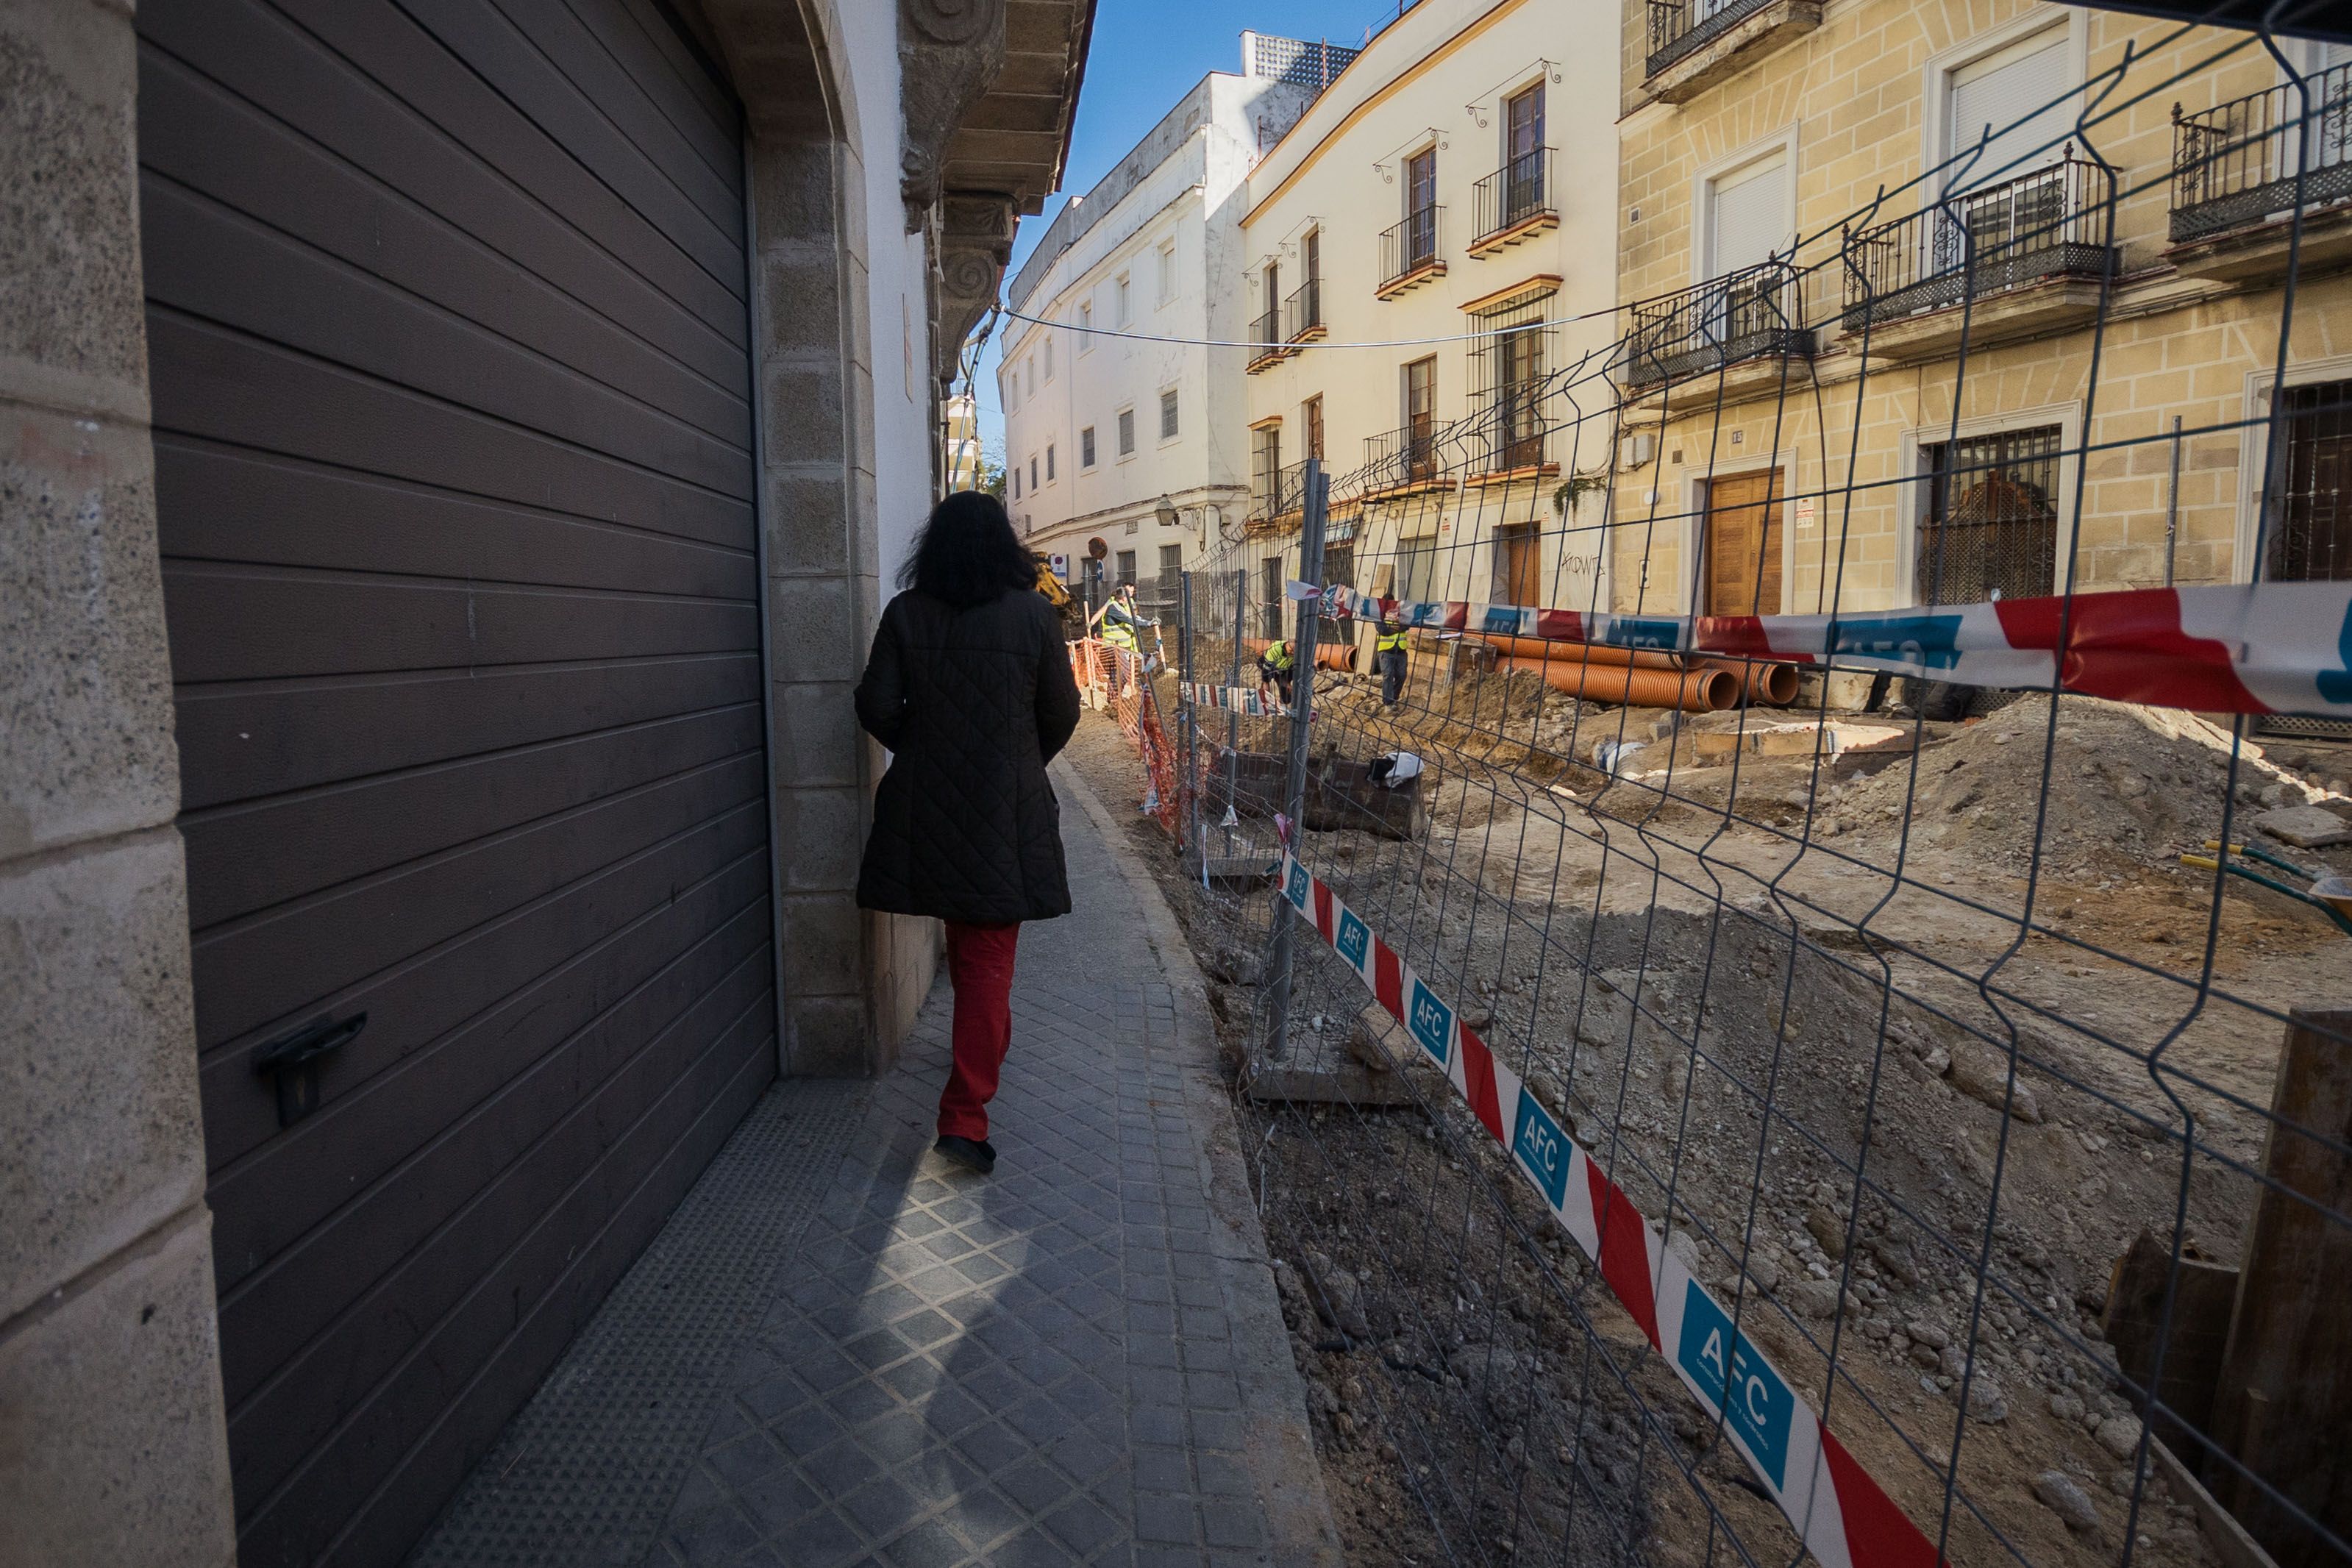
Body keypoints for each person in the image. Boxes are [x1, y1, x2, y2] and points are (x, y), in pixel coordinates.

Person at [855, 491, 1083, 1175]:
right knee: (986, 961)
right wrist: (1019, 760)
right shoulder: (1035, 617)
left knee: (970, 940)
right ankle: (964, 1118)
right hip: (1003, 814)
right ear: (1003, 546)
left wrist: (922, 751)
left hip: (927, 810)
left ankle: (972, 1072)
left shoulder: (905, 614)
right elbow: (1063, 713)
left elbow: (874, 706)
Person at [1374, 601, 1411, 706]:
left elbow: (1406, 626)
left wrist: (1392, 628)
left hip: (1401, 650)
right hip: (1386, 651)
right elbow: (1383, 630)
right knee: (1388, 675)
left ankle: (1393, 698)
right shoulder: (1378, 615)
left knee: (1402, 676)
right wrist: (1397, 628)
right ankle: (1388, 703)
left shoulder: (1401, 613)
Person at [1258, 636, 1295, 707]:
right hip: (1269, 666)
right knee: (1266, 683)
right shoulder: (1276, 648)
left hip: (1283, 670)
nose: (1293, 653)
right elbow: (1267, 670)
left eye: (1295, 651)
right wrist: (1265, 681)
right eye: (1291, 650)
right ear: (1287, 644)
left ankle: (1282, 703)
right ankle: (1264, 700)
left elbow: (1294, 668)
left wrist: (1287, 683)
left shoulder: (1298, 653)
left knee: (1287, 698)